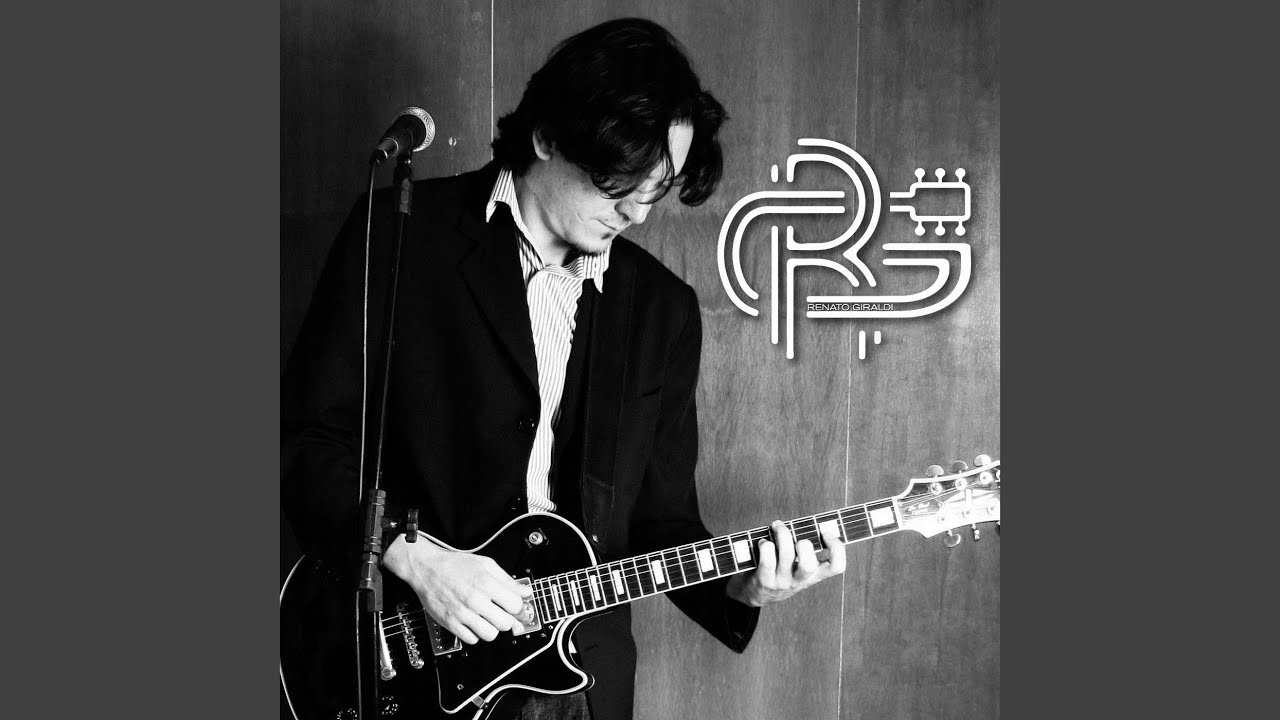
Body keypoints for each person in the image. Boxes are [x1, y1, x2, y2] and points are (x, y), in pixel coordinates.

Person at [282, 17, 845, 720]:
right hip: (410, 665)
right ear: (547, 138)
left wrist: (743, 588)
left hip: (580, 683)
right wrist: (415, 558)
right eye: (619, 184)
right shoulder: (399, 232)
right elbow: (308, 442)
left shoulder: (662, 309)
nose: (637, 213)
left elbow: (663, 522)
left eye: (656, 189)